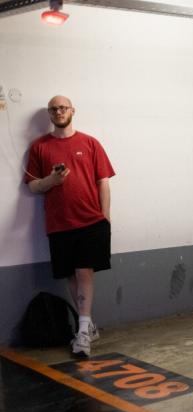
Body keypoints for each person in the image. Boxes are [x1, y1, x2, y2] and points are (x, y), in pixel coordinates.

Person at [24, 95, 115, 357]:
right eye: (53, 109)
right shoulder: (39, 147)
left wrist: (105, 216)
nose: (58, 111)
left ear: (72, 110)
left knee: (83, 271)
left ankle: (83, 332)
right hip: (59, 223)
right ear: (49, 114)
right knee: (71, 276)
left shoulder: (90, 143)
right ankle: (89, 325)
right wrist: (52, 180)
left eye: (63, 107)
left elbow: (103, 181)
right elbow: (32, 185)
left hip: (90, 221)